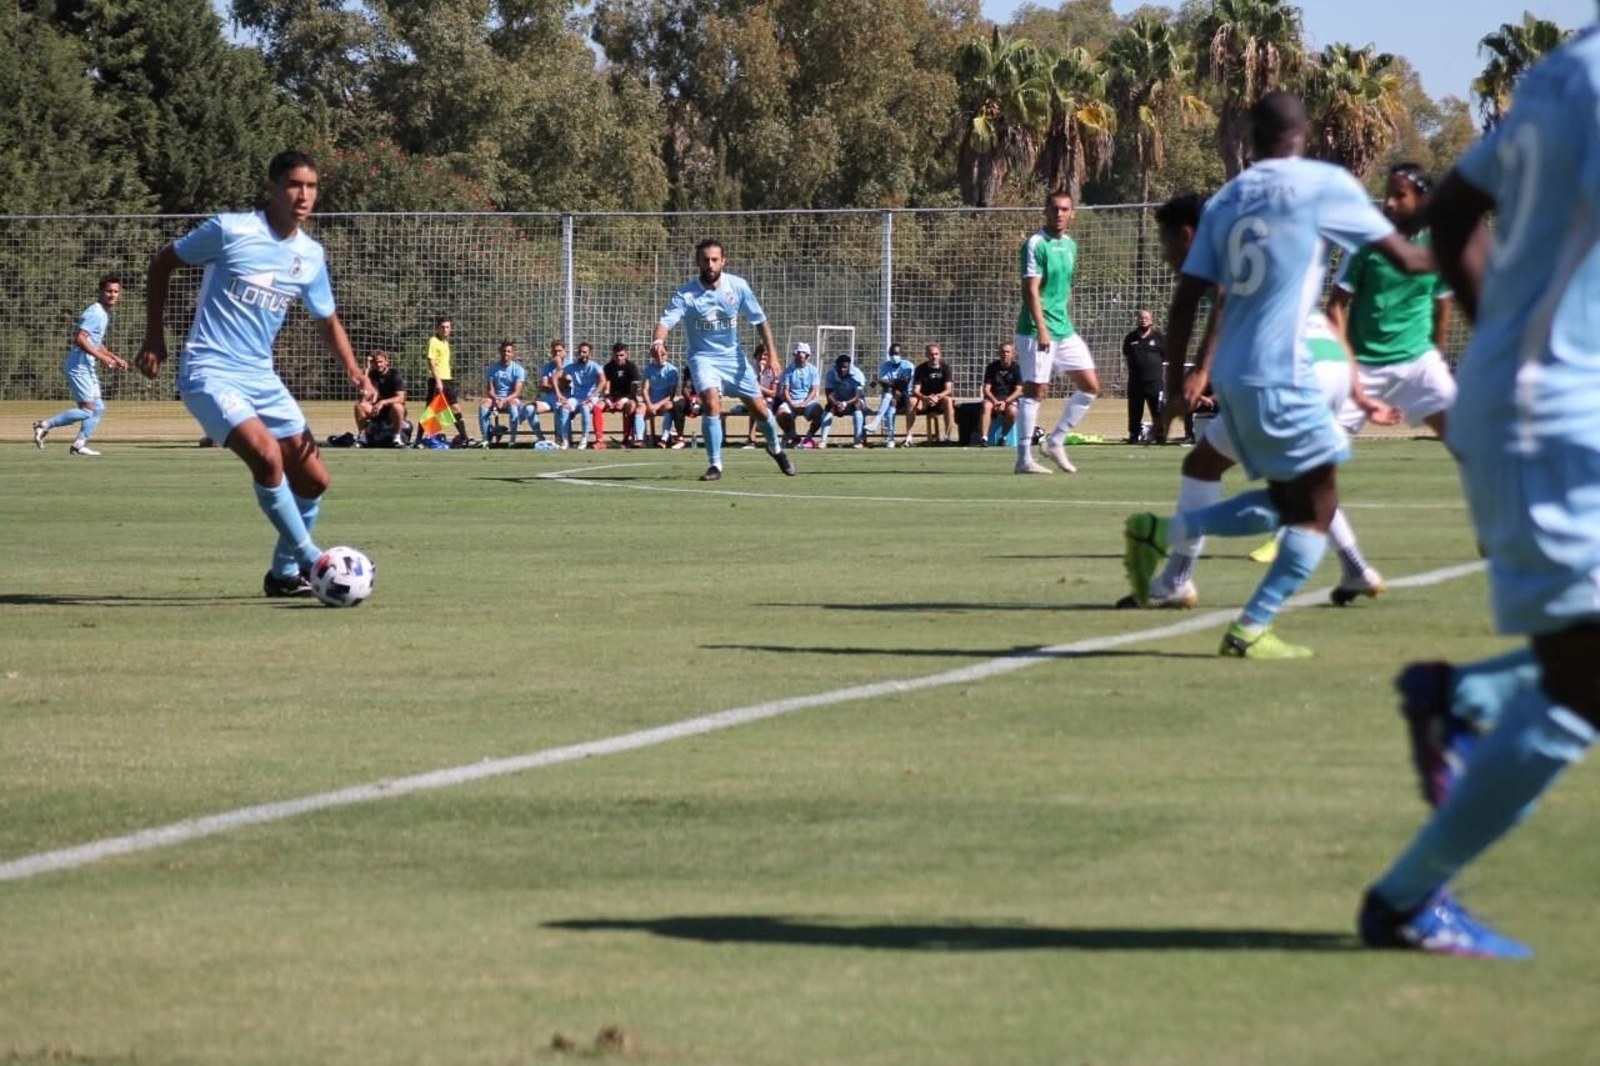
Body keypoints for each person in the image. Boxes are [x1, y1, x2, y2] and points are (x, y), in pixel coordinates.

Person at [1356, 25, 1600, 959]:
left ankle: (1466, 699)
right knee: (1587, 685)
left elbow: (1452, 213)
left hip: (1539, 398)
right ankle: (1409, 897)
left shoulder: (1561, 71)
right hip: (1560, 421)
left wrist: (1510, 341)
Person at [1121, 92, 1431, 657]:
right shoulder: (1322, 184)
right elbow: (1406, 258)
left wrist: (1177, 379)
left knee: (1284, 495)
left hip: (1235, 376)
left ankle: (1179, 557)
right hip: (1289, 371)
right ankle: (1245, 621)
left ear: (1251, 138)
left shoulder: (1226, 198)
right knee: (1314, 509)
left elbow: (1190, 294)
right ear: (1304, 133)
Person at [135, 149, 375, 599]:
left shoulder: (310, 254)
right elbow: (162, 262)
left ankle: (283, 575)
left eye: (311, 186)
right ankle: (312, 562)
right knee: (267, 457)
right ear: (272, 188)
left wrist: (355, 373)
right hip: (209, 370)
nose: (303, 195)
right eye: (293, 185)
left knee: (314, 480)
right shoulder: (230, 230)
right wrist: (154, 336)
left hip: (261, 377)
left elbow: (327, 319)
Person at [1329, 162, 1457, 438]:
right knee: (1318, 459)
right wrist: (1345, 365)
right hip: (1363, 366)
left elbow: (1443, 306)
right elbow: (1335, 305)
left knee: (1468, 444)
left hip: (1418, 362)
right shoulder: (1366, 243)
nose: (1388, 203)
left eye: (1399, 195)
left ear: (1423, 200)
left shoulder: (1439, 244)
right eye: (1388, 194)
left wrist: (1436, 356)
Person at [652, 238, 793, 481]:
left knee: (760, 410)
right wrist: (657, 342)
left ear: (723, 261)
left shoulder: (737, 287)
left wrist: (774, 356)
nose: (710, 264)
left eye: (715, 260)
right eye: (705, 260)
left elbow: (760, 321)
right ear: (698, 262)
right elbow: (665, 321)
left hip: (733, 359)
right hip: (703, 358)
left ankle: (775, 448)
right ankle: (715, 464)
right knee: (710, 401)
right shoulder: (686, 294)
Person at [1013, 190, 1100, 474]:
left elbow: (1065, 286)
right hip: (1035, 330)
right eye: (1054, 209)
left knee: (1090, 386)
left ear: (1072, 213)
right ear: (1045, 212)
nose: (1059, 214)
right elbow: (1031, 290)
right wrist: (1042, 329)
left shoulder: (1071, 245)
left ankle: (1056, 441)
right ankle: (1024, 459)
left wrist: (1063, 316)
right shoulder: (1035, 243)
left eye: (1065, 209)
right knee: (1036, 390)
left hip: (1064, 330)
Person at [34, 275, 127, 456]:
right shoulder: (95, 312)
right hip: (79, 367)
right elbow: (80, 338)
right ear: (101, 292)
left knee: (98, 408)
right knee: (87, 411)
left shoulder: (104, 313)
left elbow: (95, 342)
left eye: (116, 292)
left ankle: (79, 445)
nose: (112, 295)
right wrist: (103, 358)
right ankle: (43, 425)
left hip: (87, 367)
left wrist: (114, 357)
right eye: (109, 291)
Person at [1122, 309, 1166, 443]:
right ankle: (1134, 435)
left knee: (1158, 410)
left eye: (1146, 318)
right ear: (1137, 320)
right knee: (1135, 410)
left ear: (1151, 320)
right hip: (1136, 382)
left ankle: (1160, 436)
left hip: (1154, 382)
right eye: (1141, 318)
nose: (1144, 320)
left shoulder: (1159, 337)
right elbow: (1126, 353)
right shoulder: (1131, 337)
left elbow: (1165, 355)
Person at [425, 316, 469, 448]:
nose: (445, 329)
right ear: (438, 328)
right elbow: (431, 362)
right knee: (430, 412)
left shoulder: (445, 342)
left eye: (447, 327)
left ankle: (464, 437)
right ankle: (420, 439)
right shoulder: (433, 341)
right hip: (437, 380)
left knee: (455, 408)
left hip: (447, 380)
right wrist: (438, 381)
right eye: (442, 327)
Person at [905, 343, 957, 445]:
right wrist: (925, 398)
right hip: (924, 401)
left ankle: (947, 437)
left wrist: (937, 397)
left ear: (940, 355)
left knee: (948, 400)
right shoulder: (920, 369)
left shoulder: (945, 368)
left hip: (940, 400)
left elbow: (948, 389)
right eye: (931, 354)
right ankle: (909, 436)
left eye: (936, 354)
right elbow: (915, 390)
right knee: (912, 400)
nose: (934, 357)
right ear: (927, 355)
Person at [477, 340, 527, 446]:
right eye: (504, 351)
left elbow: (517, 392)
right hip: (496, 398)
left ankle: (512, 440)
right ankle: (486, 440)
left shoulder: (518, 369)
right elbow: (490, 389)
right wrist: (496, 399)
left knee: (513, 405)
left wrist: (504, 400)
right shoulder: (492, 369)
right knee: (483, 405)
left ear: (513, 353)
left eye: (509, 351)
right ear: (500, 352)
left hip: (511, 399)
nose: (506, 353)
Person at [354, 348, 406, 446]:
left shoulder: (394, 374)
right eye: (375, 362)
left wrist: (382, 402)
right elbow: (364, 396)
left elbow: (401, 398)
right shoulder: (372, 375)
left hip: (391, 411)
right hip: (377, 410)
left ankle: (397, 437)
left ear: (387, 362)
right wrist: (367, 369)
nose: (378, 365)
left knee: (398, 406)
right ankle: (363, 437)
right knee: (359, 406)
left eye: (380, 362)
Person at [775, 342, 822, 447]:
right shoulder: (788, 371)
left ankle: (808, 438)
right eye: (798, 355)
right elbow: (785, 390)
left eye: (803, 356)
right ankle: (794, 437)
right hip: (792, 401)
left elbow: (814, 390)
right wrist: (792, 404)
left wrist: (805, 403)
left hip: (807, 401)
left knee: (819, 412)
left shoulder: (813, 370)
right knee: (780, 413)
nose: (800, 358)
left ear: (808, 356)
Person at [866, 342, 913, 447]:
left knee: (890, 395)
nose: (894, 356)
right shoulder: (885, 366)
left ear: (901, 354)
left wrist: (880, 380)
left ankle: (876, 423)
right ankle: (890, 439)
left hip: (905, 396)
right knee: (890, 398)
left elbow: (904, 383)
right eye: (892, 354)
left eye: (896, 353)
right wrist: (883, 382)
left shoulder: (908, 365)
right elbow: (885, 385)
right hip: (892, 396)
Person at [979, 341, 1023, 447]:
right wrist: (995, 402)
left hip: (1009, 400)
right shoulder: (991, 367)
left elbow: (1019, 390)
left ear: (1012, 354)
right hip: (993, 399)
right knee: (986, 406)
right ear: (999, 353)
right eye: (1003, 352)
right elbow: (986, 389)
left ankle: (1003, 437)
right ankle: (984, 438)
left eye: (1008, 352)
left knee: (1012, 411)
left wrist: (1005, 402)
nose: (1005, 354)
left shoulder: (1017, 368)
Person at [819, 353, 868, 448]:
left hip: (853, 402)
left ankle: (858, 440)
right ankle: (823, 440)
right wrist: (836, 403)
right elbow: (829, 393)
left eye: (845, 367)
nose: (842, 369)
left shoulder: (857, 374)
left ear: (849, 366)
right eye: (840, 367)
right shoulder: (831, 374)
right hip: (838, 402)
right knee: (828, 407)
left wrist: (845, 403)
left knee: (857, 404)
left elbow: (857, 396)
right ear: (836, 366)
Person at [638, 344, 681, 447]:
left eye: (663, 355)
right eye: (657, 355)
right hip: (650, 402)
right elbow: (644, 390)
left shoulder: (672, 370)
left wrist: (656, 406)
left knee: (669, 407)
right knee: (639, 409)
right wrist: (649, 405)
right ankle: (639, 439)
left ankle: (664, 439)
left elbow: (671, 394)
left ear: (667, 354)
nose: (660, 358)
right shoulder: (648, 369)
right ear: (653, 356)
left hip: (663, 402)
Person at [741, 343, 782, 448]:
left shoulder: (774, 370)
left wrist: (758, 387)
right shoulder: (751, 369)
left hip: (772, 403)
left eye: (766, 355)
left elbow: (774, 393)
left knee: (758, 404)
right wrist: (759, 374)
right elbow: (748, 389)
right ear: (756, 355)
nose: (763, 357)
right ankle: (751, 440)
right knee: (755, 403)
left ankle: (760, 434)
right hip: (756, 400)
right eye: (761, 354)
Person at [601, 342, 642, 447]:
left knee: (632, 405)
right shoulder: (608, 367)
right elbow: (606, 387)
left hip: (627, 398)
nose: (619, 358)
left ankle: (628, 437)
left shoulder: (632, 367)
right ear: (613, 355)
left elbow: (633, 391)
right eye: (616, 355)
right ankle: (599, 440)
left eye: (621, 355)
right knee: (597, 407)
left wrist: (623, 400)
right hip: (612, 398)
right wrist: (608, 400)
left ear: (626, 354)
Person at [566, 341, 604, 449]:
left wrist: (593, 395)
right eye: (580, 352)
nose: (582, 354)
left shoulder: (595, 366)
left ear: (590, 354)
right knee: (563, 407)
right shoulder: (573, 366)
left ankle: (584, 438)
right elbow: (556, 376)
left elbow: (603, 381)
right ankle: (565, 440)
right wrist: (561, 392)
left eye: (585, 352)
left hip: (590, 398)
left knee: (584, 408)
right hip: (576, 398)